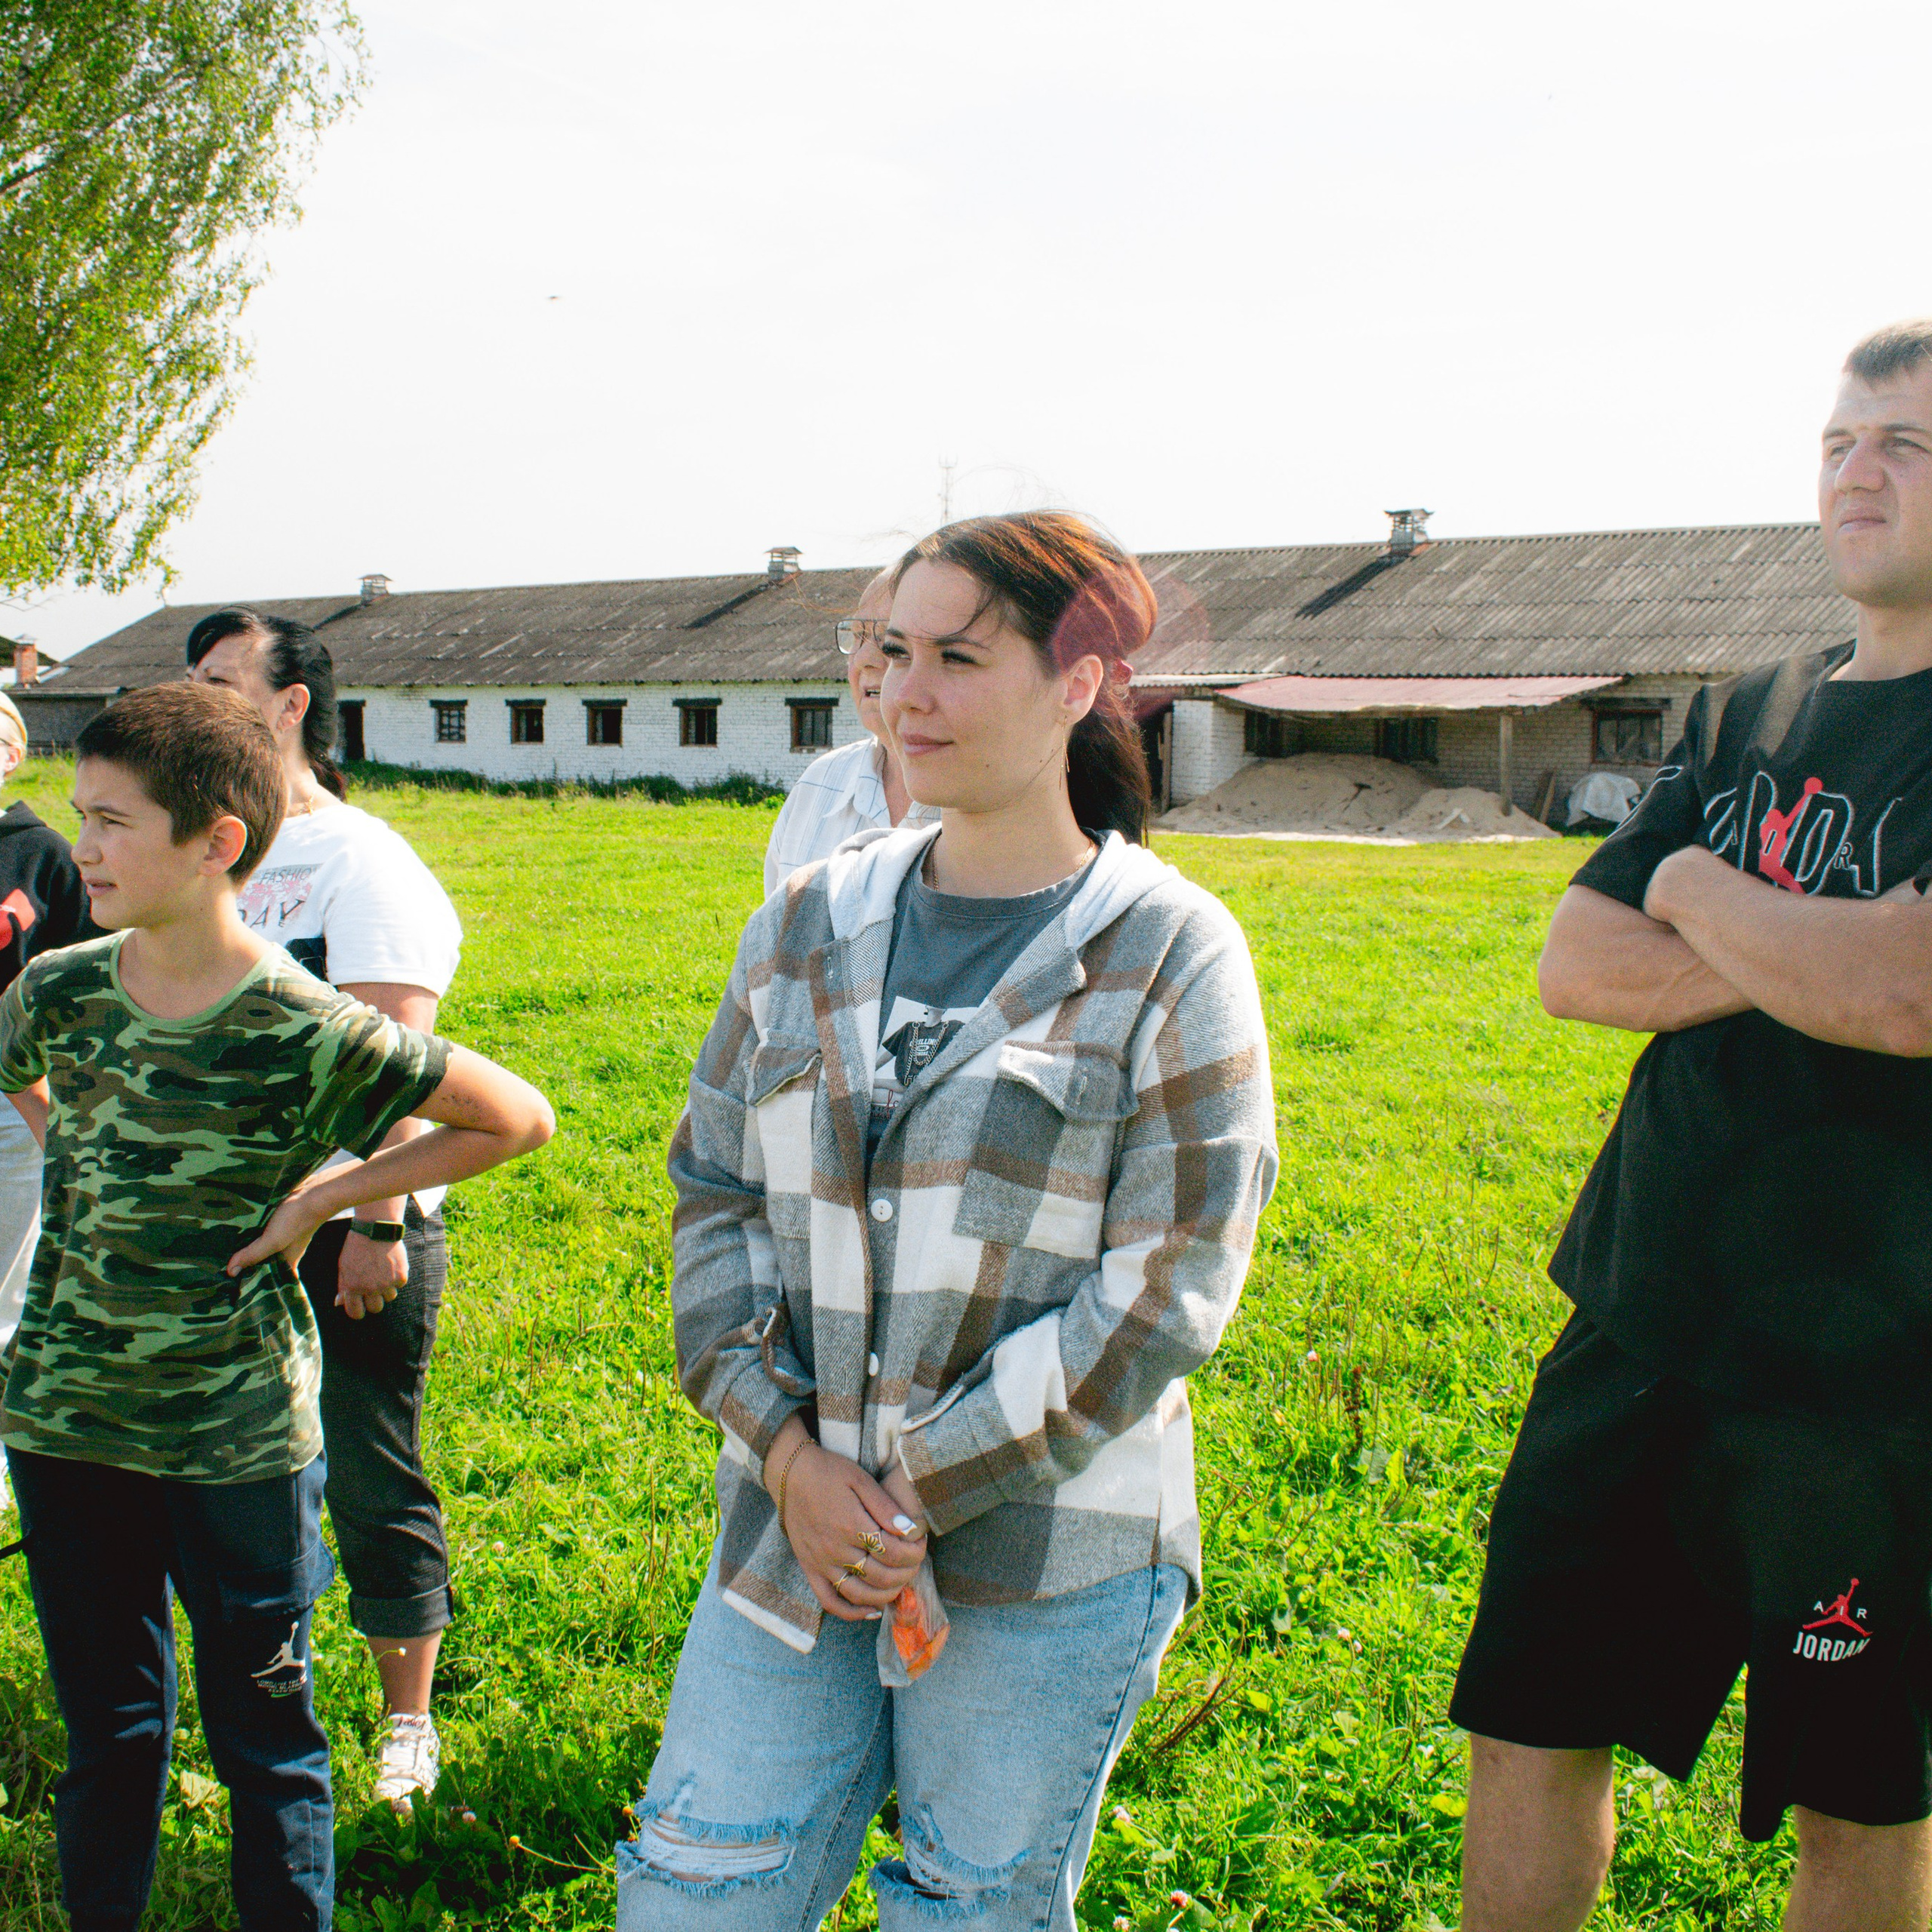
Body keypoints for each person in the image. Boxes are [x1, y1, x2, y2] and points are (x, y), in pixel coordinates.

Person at [620, 510, 1277, 1930]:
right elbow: (714, 1190)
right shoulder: (809, 917)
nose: (904, 694)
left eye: (957, 659)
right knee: (695, 1887)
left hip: (1039, 1559)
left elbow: (1166, 1289)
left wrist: (916, 1486)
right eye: (891, 651)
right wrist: (792, 1460)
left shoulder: (1168, 948)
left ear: (1077, 684)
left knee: (968, 1905)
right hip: (787, 1530)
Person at [1452, 320, 1932, 1932]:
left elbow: (1903, 997)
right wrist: (1802, 935)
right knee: (1527, 1726)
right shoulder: (1748, 706)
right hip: (1637, 1312)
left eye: (1904, 446)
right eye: (1836, 441)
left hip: (1874, 1385)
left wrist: (1684, 881)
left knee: (1851, 1803)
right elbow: (1576, 966)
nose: (1854, 472)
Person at [0, 681, 554, 1931]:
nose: (79, 847)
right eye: (80, 816)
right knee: (111, 1732)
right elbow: (17, 1072)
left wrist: (333, 1198)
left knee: (264, 1732)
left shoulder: (304, 1024)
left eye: (112, 823)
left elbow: (516, 1119)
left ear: (217, 846)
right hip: (66, 1421)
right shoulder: (64, 991)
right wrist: (72, 1140)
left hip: (233, 1441)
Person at [188, 608, 464, 1812]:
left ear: (291, 703)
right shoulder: (214, 849)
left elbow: (400, 1062)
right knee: (237, 1481)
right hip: (226, 1230)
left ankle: (407, 1725)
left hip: (349, 1222)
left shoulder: (362, 861)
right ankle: (258, 1695)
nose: (195, 701)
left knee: (364, 1465)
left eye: (219, 681)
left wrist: (377, 1223)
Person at [0, 692, 93, 1379]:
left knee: (6, 1271)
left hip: (13, 1095)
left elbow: (88, 977)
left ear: (12, 753)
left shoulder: (43, 855)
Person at [763, 570, 938, 894]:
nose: (865, 659)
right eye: (856, 635)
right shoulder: (817, 784)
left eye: (891, 641)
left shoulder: (983, 801)